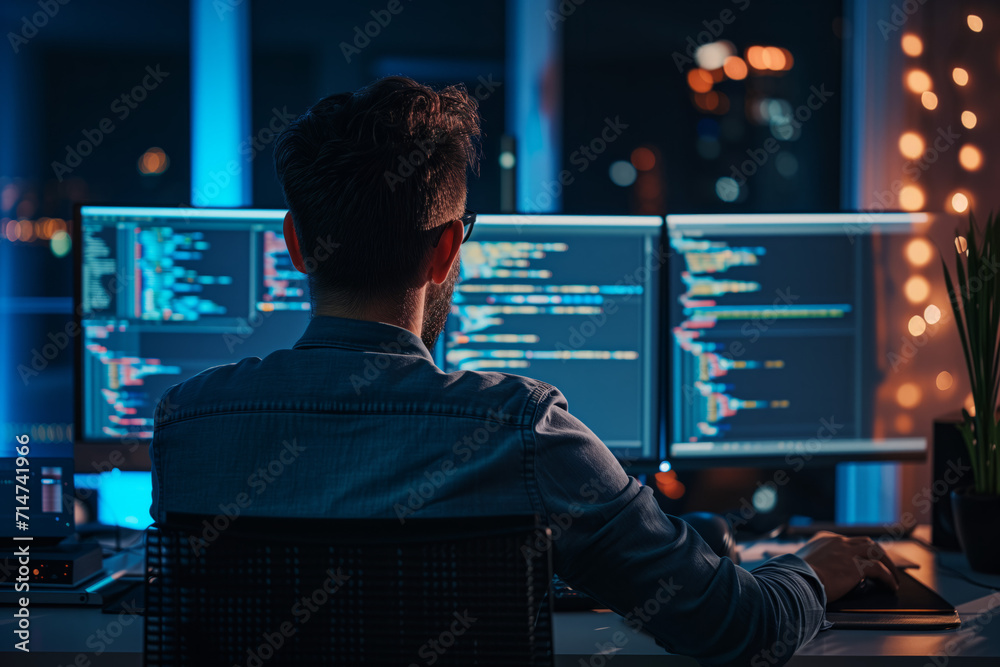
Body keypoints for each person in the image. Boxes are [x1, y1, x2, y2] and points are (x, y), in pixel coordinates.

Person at [150, 76, 898, 666]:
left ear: (296, 245)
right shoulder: (520, 429)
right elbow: (737, 627)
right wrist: (812, 568)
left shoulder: (187, 425)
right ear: (447, 248)